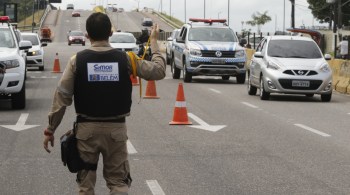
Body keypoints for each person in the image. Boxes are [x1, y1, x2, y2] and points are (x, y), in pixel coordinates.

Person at [43, 12, 166, 194]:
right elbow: (158, 71)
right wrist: (154, 44)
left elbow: (62, 97)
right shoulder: (126, 59)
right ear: (110, 33)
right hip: (116, 132)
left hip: (86, 132)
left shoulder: (76, 61)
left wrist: (50, 129)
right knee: (118, 183)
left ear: (87, 35)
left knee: (86, 186)